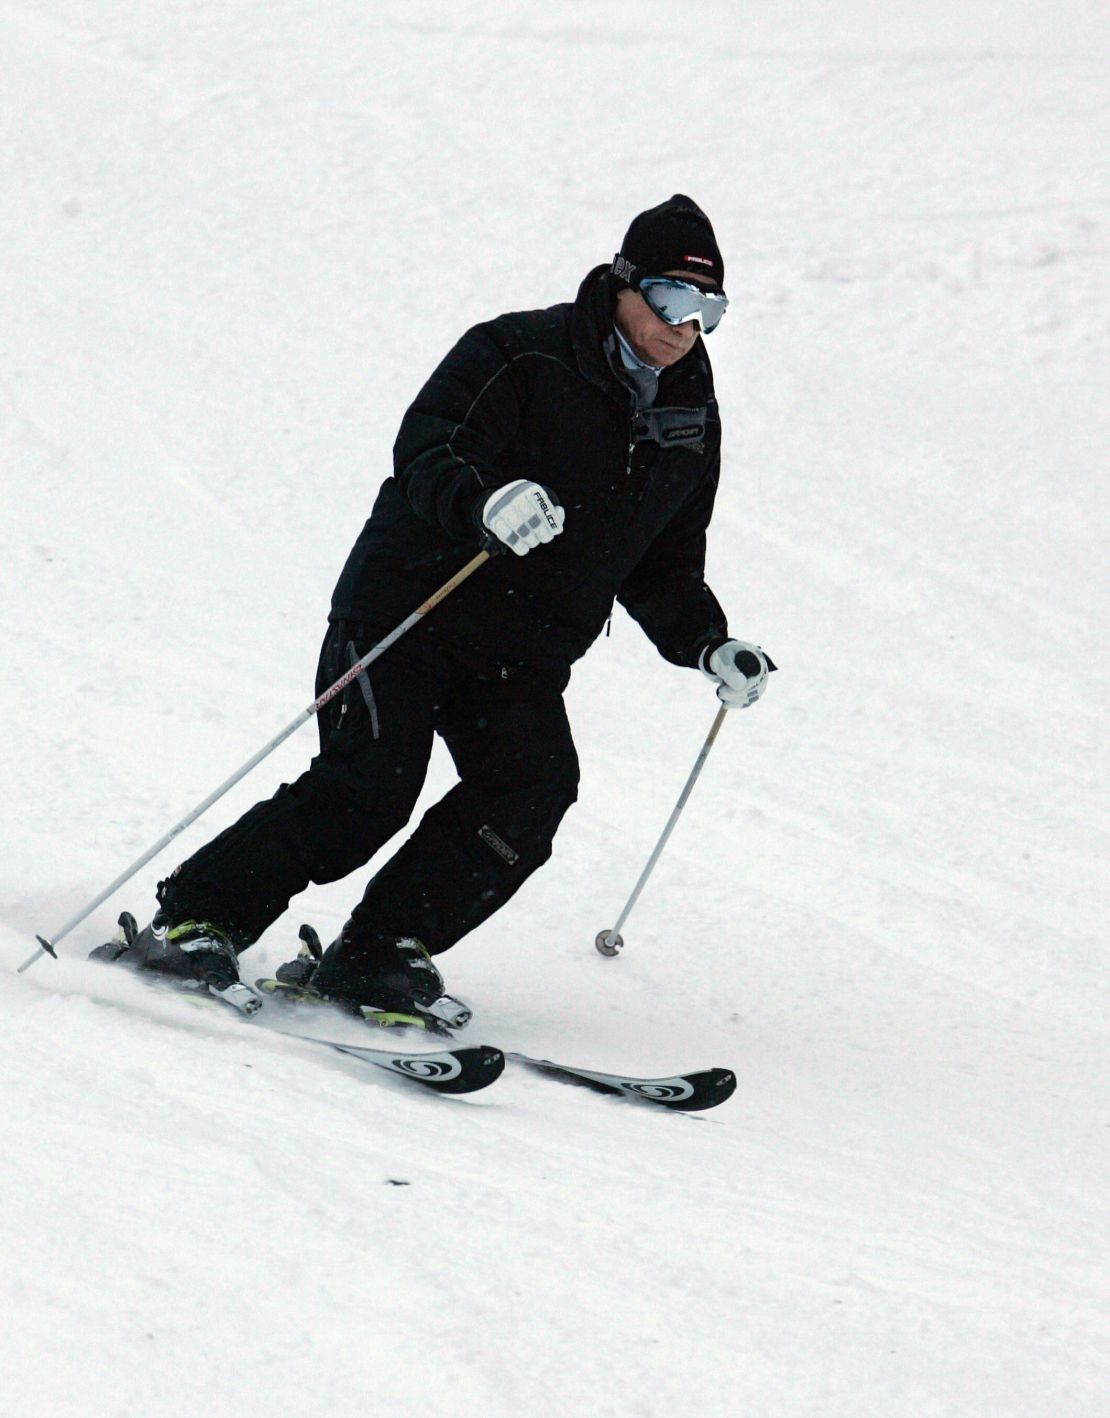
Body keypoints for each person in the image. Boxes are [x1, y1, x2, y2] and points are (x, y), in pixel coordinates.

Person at [93, 193, 774, 1027]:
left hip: (522, 652)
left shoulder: (688, 419)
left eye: (709, 311)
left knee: (532, 788)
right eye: (672, 299)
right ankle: (199, 921)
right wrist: (485, 502)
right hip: (409, 609)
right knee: (369, 788)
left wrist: (709, 644)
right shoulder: (521, 352)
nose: (685, 327)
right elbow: (430, 444)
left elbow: (663, 563)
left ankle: (380, 950)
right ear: (624, 284)